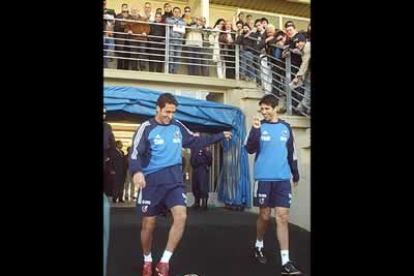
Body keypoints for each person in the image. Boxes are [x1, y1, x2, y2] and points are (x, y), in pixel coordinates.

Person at [129, 93, 232, 276]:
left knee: (181, 216)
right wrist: (137, 172)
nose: (170, 116)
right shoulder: (146, 128)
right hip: (151, 182)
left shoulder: (177, 125)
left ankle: (164, 263)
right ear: (158, 109)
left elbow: (195, 141)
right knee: (148, 225)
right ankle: (147, 260)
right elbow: (135, 153)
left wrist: (219, 136)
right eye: (167, 112)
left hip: (174, 181)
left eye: (173, 112)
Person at [244, 94, 302, 275]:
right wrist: (254, 130)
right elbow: (249, 148)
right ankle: (258, 244)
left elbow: (291, 152)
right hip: (263, 179)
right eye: (262, 109)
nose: (264, 112)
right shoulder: (258, 127)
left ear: (275, 108)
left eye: (267, 109)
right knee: (265, 216)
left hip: (283, 179)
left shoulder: (286, 127)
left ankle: (286, 260)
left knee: (282, 217)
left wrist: (295, 173)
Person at [190, 141, 212, 210]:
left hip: (202, 168)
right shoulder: (193, 147)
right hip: (195, 168)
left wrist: (206, 166)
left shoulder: (204, 145)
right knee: (195, 186)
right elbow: (192, 158)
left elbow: (209, 158)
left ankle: (204, 203)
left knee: (203, 186)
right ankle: (197, 203)